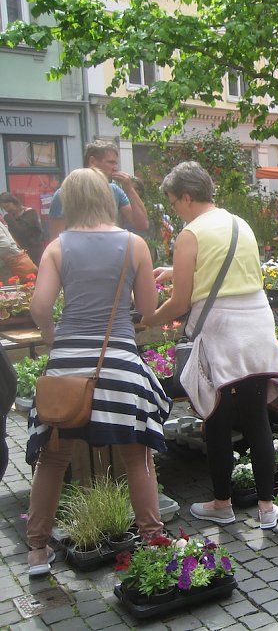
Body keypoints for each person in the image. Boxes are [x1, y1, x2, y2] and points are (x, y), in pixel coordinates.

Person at [26, 168, 170, 576]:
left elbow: (39, 306)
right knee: (137, 455)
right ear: (109, 199)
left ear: (68, 202)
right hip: (118, 360)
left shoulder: (57, 247)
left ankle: (37, 551)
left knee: (52, 459)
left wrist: (55, 338)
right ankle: (152, 540)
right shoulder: (134, 244)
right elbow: (145, 308)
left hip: (67, 365)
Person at [142, 161, 278, 529]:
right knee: (256, 418)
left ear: (187, 197)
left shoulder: (190, 235)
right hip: (256, 326)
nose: (175, 209)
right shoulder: (240, 224)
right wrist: (176, 270)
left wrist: (148, 320)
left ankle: (222, 504)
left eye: (174, 202)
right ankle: (267, 508)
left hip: (221, 331)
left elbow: (179, 302)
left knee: (217, 418)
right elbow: (230, 266)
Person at [49, 141, 149, 240]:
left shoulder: (114, 190)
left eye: (116, 163)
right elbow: (56, 239)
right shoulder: (65, 194)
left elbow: (142, 224)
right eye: (111, 162)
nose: (115, 168)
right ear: (92, 161)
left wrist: (129, 189)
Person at [0, 192, 44, 265]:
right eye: (4, 208)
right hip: (20, 255)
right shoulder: (10, 217)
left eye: (7, 206)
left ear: (14, 202)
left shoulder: (30, 213)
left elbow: (22, 232)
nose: (7, 210)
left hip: (34, 253)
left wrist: (9, 219)